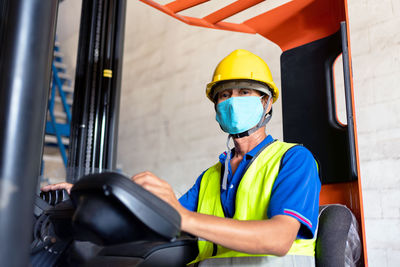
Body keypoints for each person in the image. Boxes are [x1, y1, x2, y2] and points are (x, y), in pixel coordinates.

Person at [42, 49, 321, 266]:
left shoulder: (294, 159)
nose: (232, 101)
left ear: (266, 102)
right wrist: (91, 197)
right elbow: (164, 219)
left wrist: (183, 216)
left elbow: (279, 238)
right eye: (224, 94)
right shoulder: (212, 176)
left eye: (244, 91)